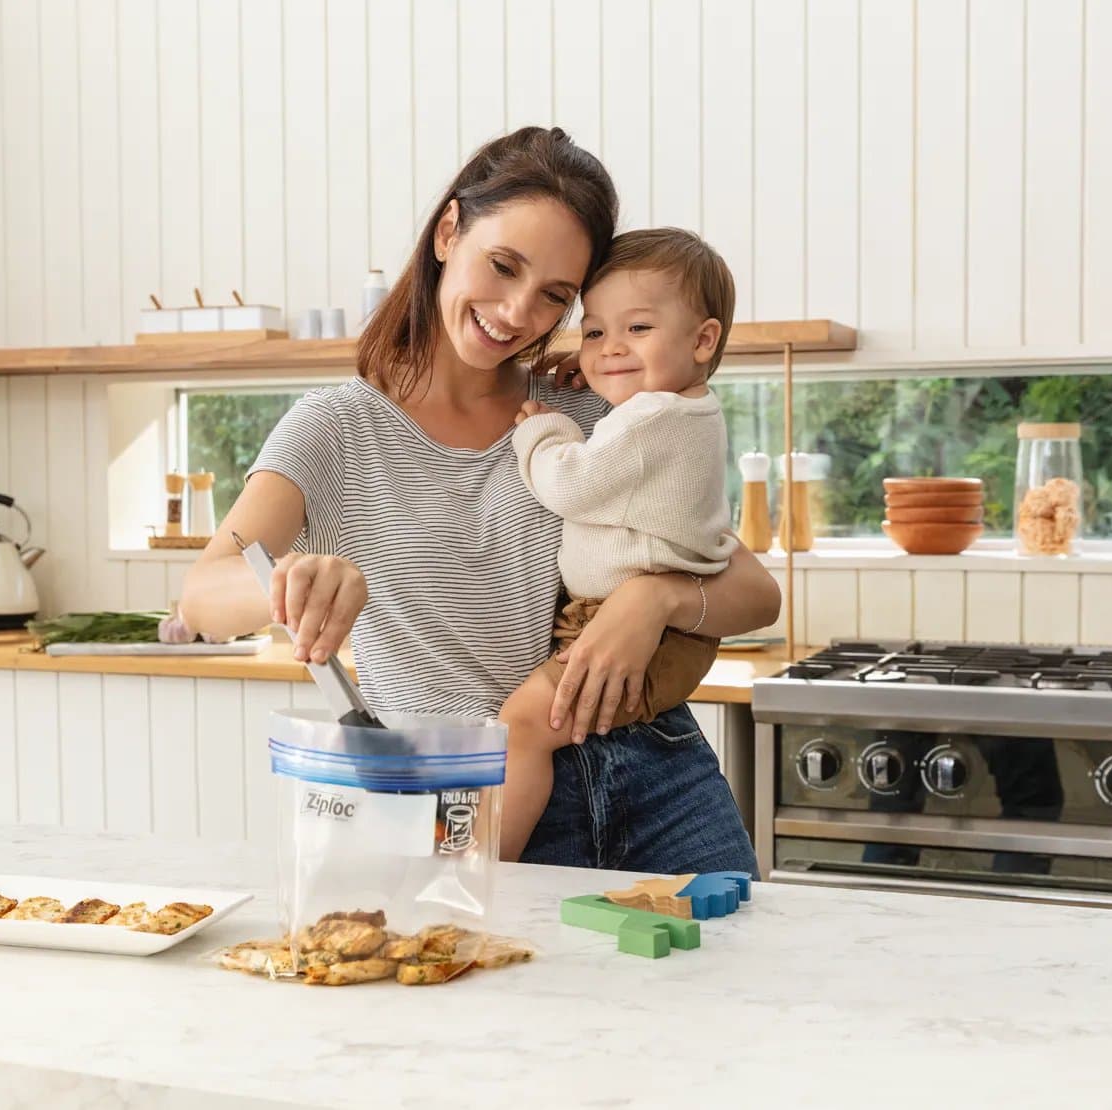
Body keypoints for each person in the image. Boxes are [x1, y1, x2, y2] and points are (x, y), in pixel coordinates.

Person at [181, 126, 778, 874]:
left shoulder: (583, 412)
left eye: (554, 297)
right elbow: (202, 596)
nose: (518, 312)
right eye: (502, 266)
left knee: (740, 988)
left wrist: (652, 599)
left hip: (658, 778)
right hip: (465, 798)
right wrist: (293, 578)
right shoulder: (336, 427)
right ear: (448, 230)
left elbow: (752, 590)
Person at [498, 227, 738, 862]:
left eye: (637, 329)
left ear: (703, 339)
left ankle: (488, 873)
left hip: (625, 628)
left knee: (523, 725)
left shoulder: (651, 417)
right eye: (595, 331)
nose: (608, 349)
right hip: (661, 632)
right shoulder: (683, 411)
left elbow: (571, 484)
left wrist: (541, 433)